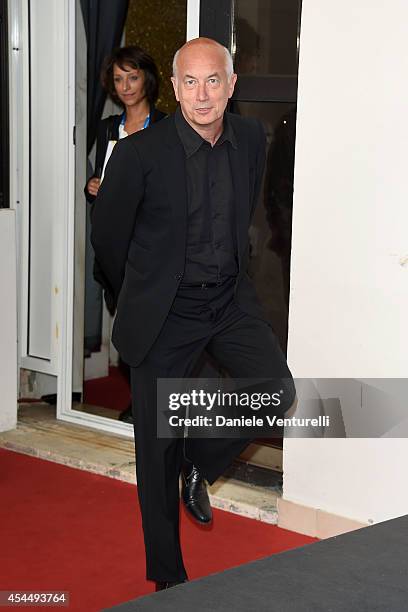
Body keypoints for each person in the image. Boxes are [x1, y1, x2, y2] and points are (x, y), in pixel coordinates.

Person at [91, 37, 295, 591]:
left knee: (275, 391)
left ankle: (199, 460)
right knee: (154, 451)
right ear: (175, 87)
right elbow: (108, 241)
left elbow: (242, 211)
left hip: (228, 300)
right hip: (165, 312)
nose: (202, 94)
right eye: (190, 81)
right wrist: (139, 292)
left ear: (231, 86)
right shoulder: (138, 154)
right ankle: (168, 581)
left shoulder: (252, 138)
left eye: (214, 81)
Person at [85, 46, 166, 423]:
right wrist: (92, 186)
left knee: (152, 331)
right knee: (126, 330)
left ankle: (150, 405)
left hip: (152, 246)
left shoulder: (166, 126)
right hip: (116, 245)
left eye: (132, 76)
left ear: (146, 79)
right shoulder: (106, 128)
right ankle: (141, 400)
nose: (126, 85)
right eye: (118, 79)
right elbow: (100, 177)